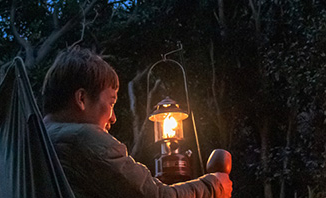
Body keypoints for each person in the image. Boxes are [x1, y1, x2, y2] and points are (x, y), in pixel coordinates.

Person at [42, 46, 232, 198]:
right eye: (111, 102)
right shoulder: (84, 140)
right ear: (82, 99)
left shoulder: (35, 142)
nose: (113, 118)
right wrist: (215, 184)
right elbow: (158, 195)